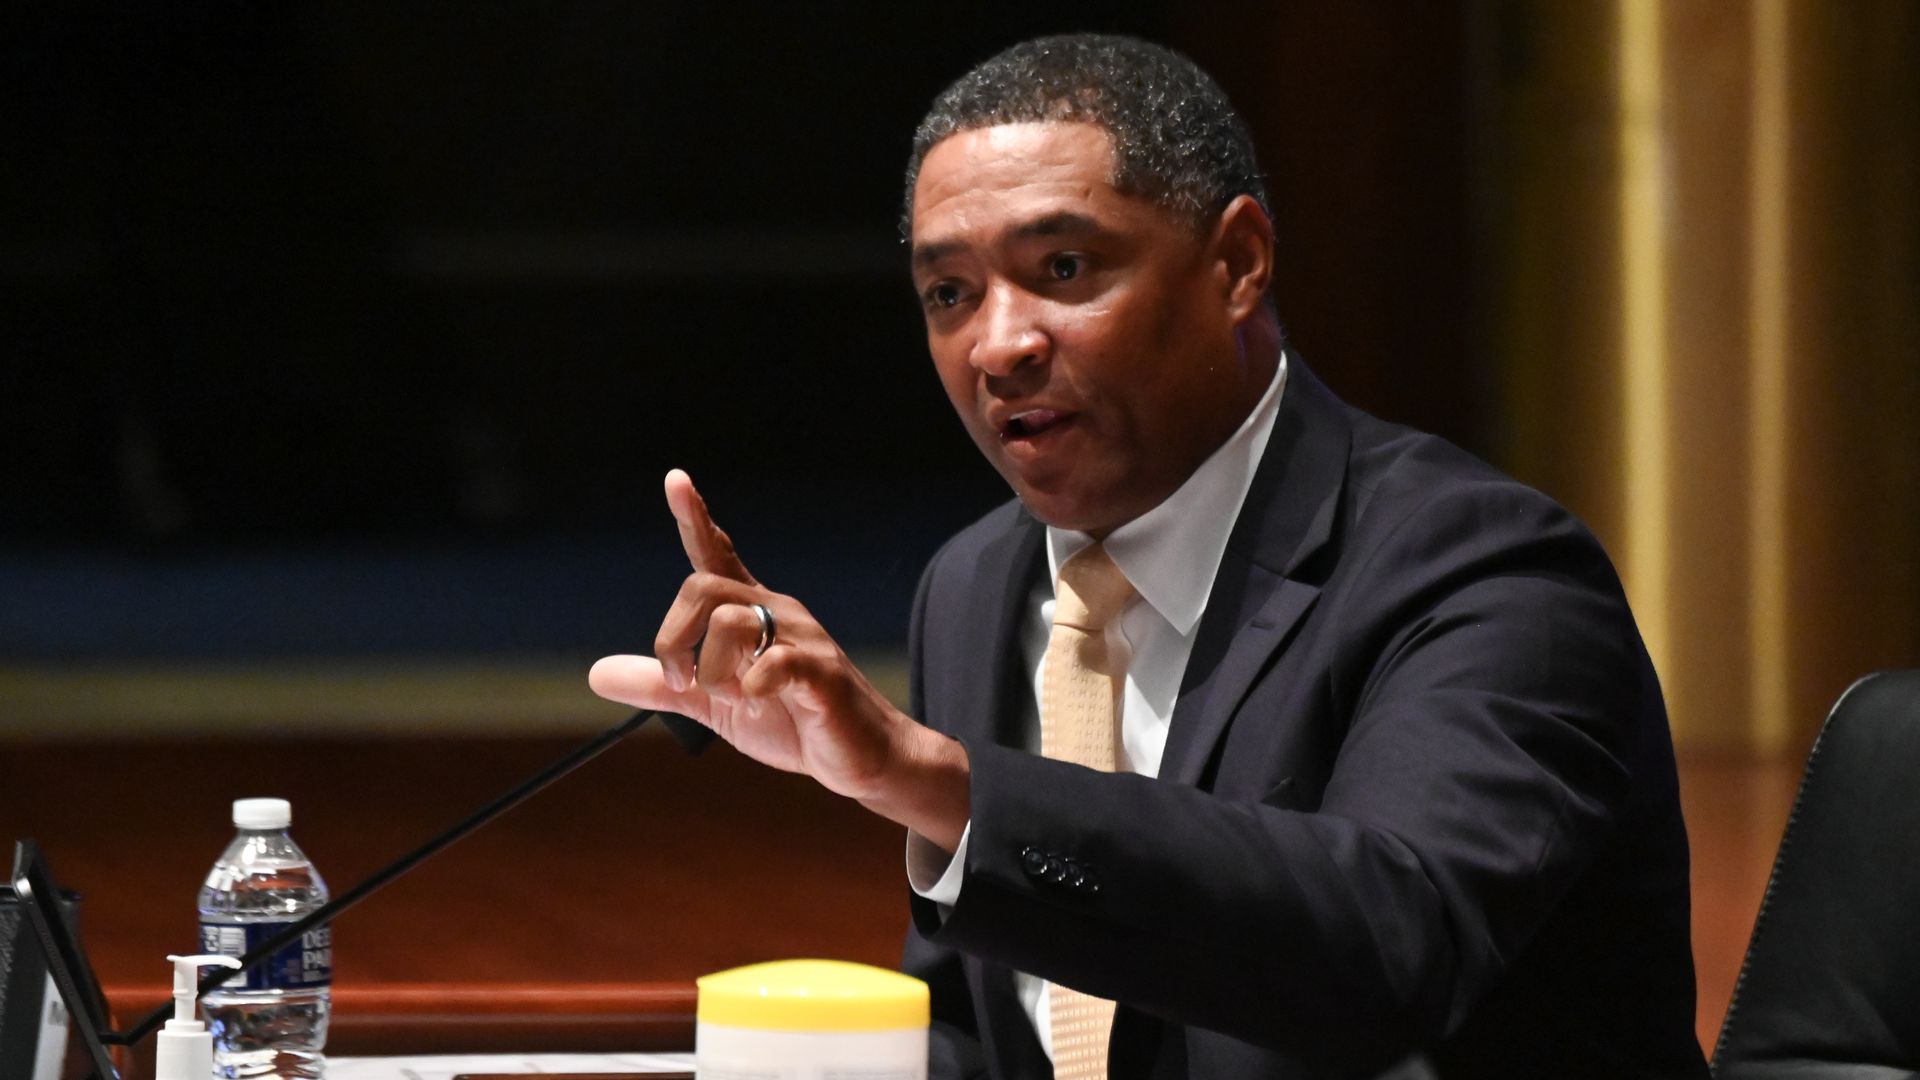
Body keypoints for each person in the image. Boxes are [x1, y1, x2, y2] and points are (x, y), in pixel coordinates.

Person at [590, 33, 1709, 1080]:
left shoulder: (1487, 574)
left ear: (1237, 264)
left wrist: (928, 778)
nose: (1000, 343)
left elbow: (1389, 946)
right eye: (949, 293)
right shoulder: (976, 588)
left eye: (1065, 267)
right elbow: (981, 1036)